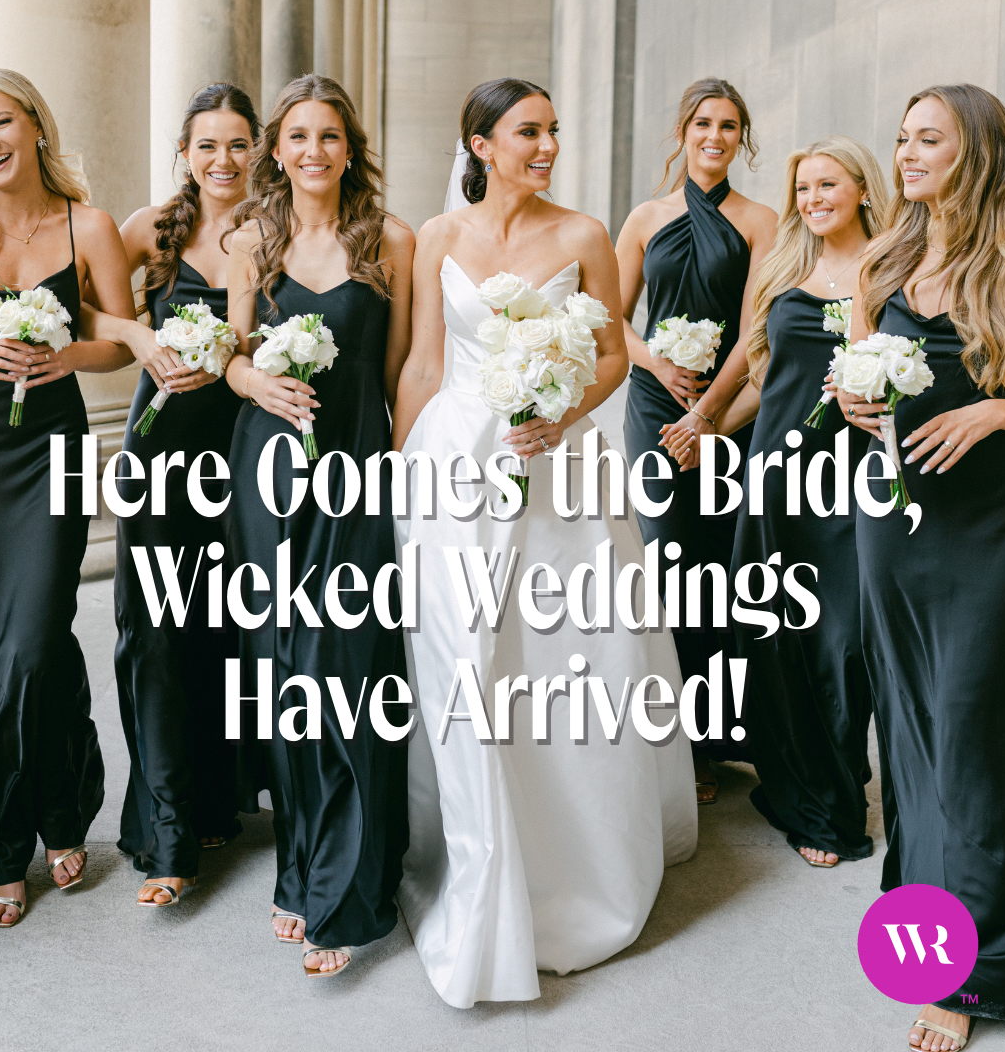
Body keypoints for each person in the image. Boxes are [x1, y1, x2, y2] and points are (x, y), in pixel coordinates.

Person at [391, 77, 698, 1009]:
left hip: (558, 468)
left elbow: (610, 354)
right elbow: (423, 363)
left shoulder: (584, 236)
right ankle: (482, 865)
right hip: (455, 467)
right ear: (480, 144)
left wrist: (562, 408)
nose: (549, 144)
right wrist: (399, 476)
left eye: (555, 130)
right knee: (467, 662)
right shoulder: (438, 238)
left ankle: (578, 866)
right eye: (530, 131)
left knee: (568, 658)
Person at [840, 84, 1005, 1051]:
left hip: (996, 529)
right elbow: (862, 383)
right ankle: (934, 934)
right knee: (910, 728)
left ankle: (978, 973)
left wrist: (1000, 410)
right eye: (902, 136)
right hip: (897, 528)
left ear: (981, 155)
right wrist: (857, 399)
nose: (905, 155)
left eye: (929, 140)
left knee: (973, 726)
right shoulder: (885, 260)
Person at [223, 74, 414, 977]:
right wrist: (253, 380)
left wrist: (406, 479)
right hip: (266, 471)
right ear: (278, 149)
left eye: (328, 135)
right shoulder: (248, 242)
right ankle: (299, 863)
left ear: (350, 146)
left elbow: (405, 373)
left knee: (347, 669)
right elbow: (229, 355)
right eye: (296, 135)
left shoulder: (392, 242)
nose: (312, 151)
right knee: (285, 671)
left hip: (356, 474)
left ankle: (350, 887)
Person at [0, 69, 136, 926]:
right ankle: (13, 831)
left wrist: (64, 358)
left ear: (35, 125)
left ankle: (37, 817)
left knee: (29, 641)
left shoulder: (86, 224)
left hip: (50, 454)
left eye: (3, 121)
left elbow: (116, 342)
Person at [673, 138, 887, 867]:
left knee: (842, 642)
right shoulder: (787, 268)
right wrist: (706, 427)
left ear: (862, 188)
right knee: (774, 638)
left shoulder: (890, 268)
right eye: (803, 188)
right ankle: (797, 788)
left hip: (851, 480)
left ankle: (835, 800)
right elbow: (764, 376)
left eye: (828, 184)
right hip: (776, 479)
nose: (813, 199)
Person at [86, 83, 261, 907]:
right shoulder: (146, 230)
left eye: (237, 144)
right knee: (153, 629)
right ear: (184, 155)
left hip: (249, 452)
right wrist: (136, 334)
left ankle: (219, 795)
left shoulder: (280, 228)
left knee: (232, 625)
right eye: (207, 146)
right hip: (161, 455)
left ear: (258, 149)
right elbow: (85, 308)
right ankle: (165, 834)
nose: (223, 161)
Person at [617, 77, 777, 801]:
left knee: (719, 567)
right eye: (704, 122)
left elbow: (756, 329)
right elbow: (610, 320)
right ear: (682, 130)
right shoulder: (645, 217)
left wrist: (707, 411)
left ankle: (717, 739)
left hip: (724, 414)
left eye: (730, 126)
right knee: (670, 564)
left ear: (743, 138)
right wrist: (660, 364)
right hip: (654, 404)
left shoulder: (761, 220)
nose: (716, 136)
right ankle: (675, 743)